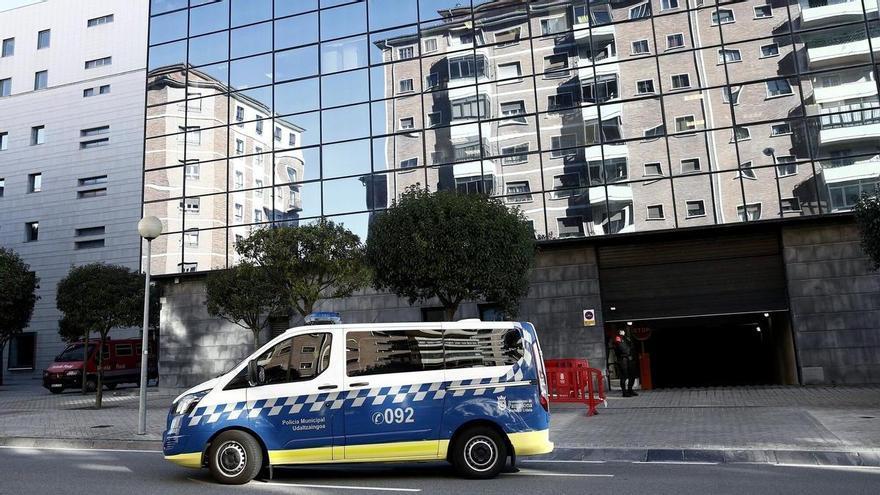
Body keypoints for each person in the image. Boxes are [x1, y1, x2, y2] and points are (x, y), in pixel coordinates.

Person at [613, 330, 638, 397]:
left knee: (632, 375)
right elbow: (623, 348)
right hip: (622, 359)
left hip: (629, 359)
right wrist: (628, 353)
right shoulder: (618, 338)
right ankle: (624, 392)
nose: (623, 332)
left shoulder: (626, 338)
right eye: (621, 331)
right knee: (624, 376)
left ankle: (630, 389)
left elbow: (631, 347)